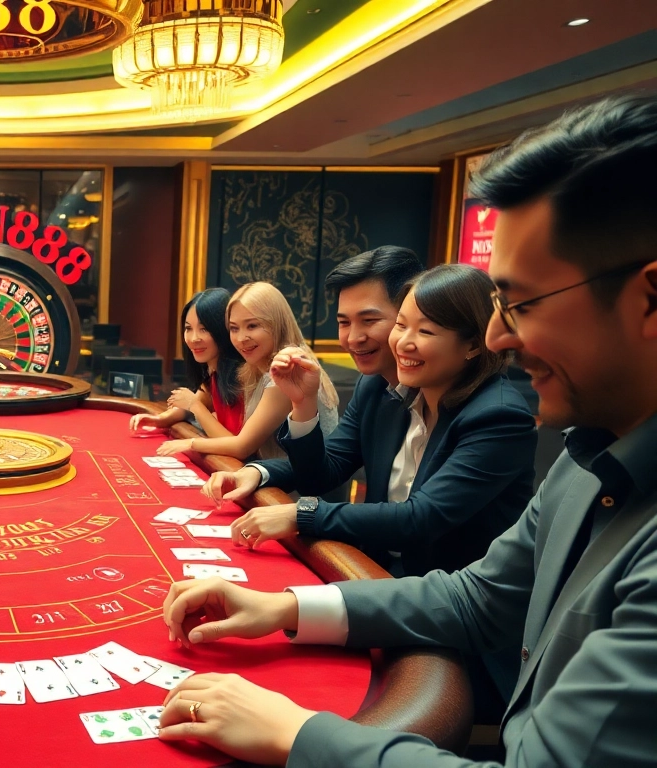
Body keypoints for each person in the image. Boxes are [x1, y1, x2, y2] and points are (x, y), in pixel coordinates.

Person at [156, 94, 657, 768]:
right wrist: (284, 608)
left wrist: (298, 734)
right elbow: (476, 595)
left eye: (522, 303)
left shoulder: (520, 416)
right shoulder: (588, 453)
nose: (498, 334)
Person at [208, 260, 537, 578]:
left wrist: (301, 515)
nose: (404, 343)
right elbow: (326, 470)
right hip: (375, 569)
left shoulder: (499, 416)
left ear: (474, 345)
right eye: (401, 326)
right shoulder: (381, 387)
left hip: (449, 597)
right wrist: (297, 411)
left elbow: (420, 518)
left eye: (425, 330)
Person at [158, 282, 338, 461]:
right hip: (274, 476)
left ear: (276, 323)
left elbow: (242, 447)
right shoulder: (253, 367)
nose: (241, 338)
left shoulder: (288, 370)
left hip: (298, 486)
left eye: (252, 326)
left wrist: (190, 443)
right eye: (234, 328)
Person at [130, 288, 245, 437]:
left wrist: (193, 404)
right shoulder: (214, 372)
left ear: (223, 330)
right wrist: (158, 420)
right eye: (188, 328)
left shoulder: (245, 376)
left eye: (204, 329)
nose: (193, 338)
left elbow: (237, 445)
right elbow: (191, 407)